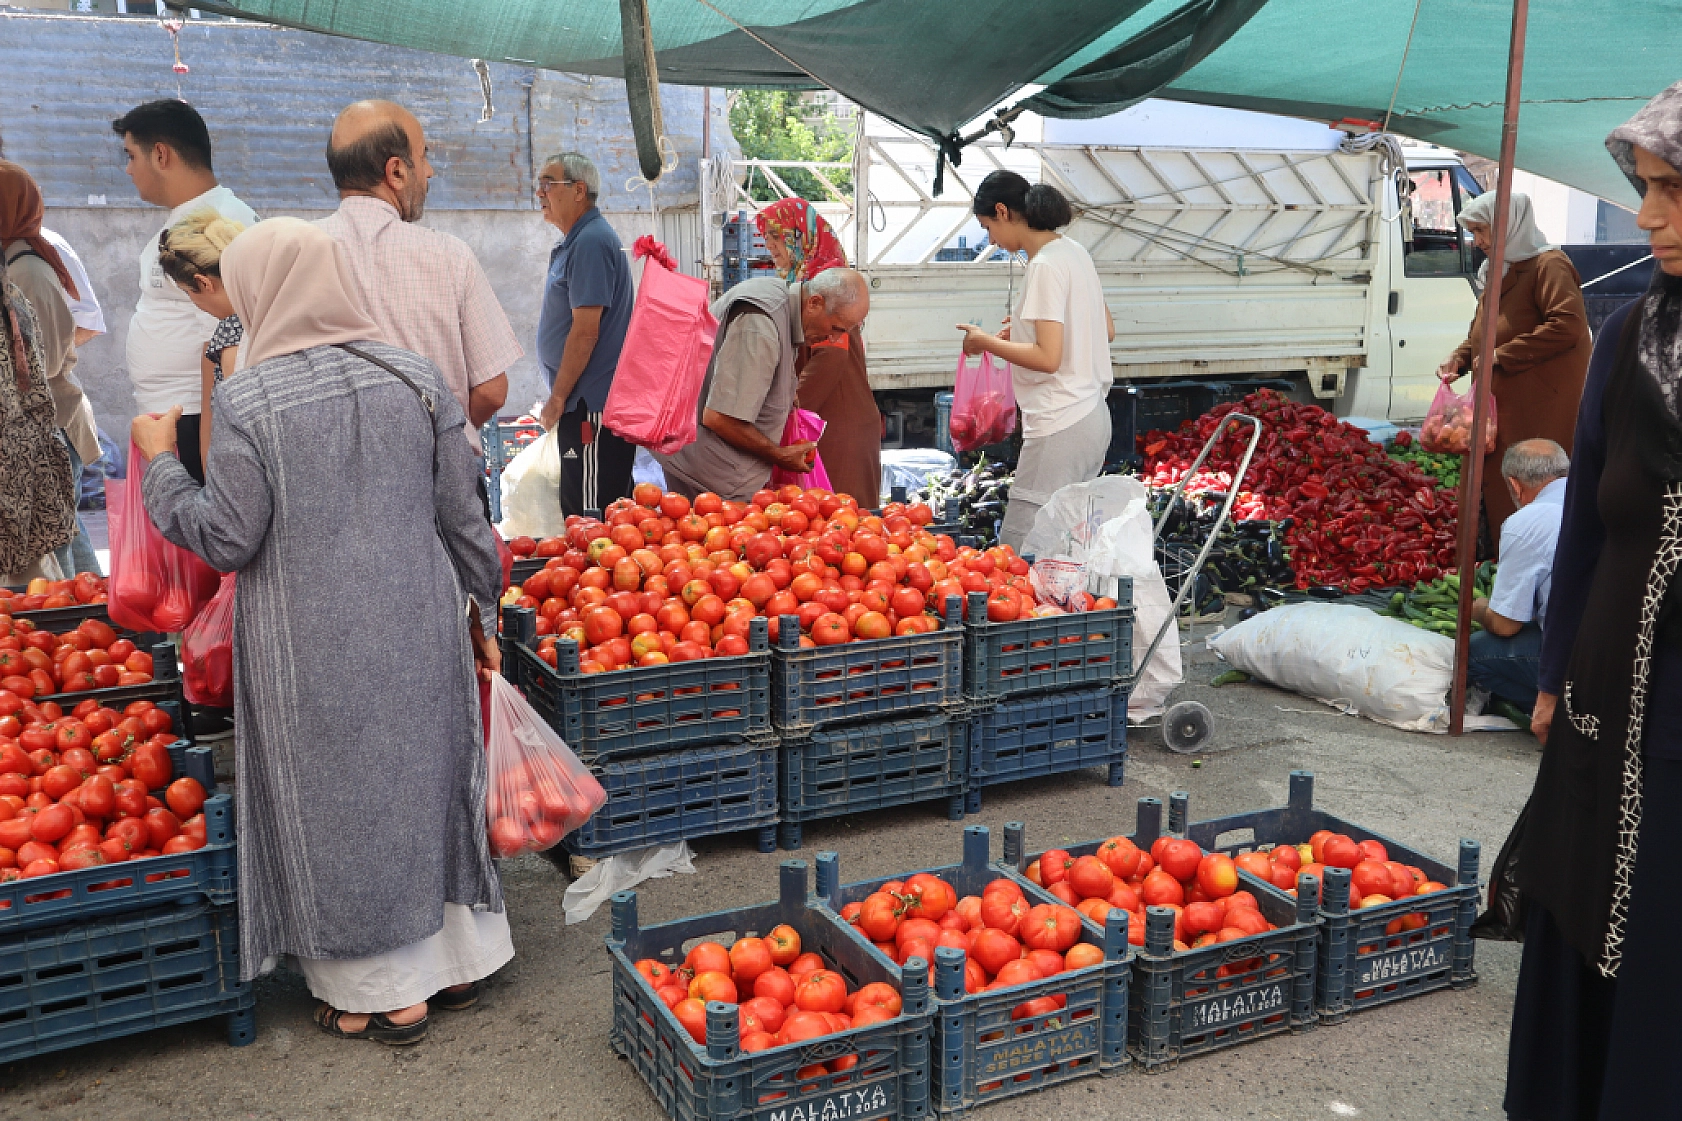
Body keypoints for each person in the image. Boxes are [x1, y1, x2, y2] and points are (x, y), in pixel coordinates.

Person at [133, 218, 509, 1045]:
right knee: (425, 772)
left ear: (260, 291)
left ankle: (382, 993)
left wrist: (161, 464)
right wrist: (486, 607)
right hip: (418, 619)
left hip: (307, 643)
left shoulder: (246, 399)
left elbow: (229, 536)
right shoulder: (415, 377)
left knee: (336, 801)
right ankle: (454, 969)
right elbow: (466, 517)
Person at [1505, 82, 1682, 1120]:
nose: (1646, 214)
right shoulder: (1629, 339)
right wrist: (1549, 672)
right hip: (1605, 705)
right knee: (1587, 928)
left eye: (1670, 190)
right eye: (1645, 188)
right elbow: (1580, 530)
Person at [317, 99, 522, 514]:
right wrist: (447, 430)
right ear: (395, 171)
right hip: (438, 484)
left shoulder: (293, 256)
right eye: (423, 156)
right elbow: (492, 390)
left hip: (330, 493)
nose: (428, 171)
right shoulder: (449, 257)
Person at [955, 172, 1115, 550]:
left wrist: (986, 343)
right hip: (1091, 415)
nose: (992, 240)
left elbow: (1048, 358)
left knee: (1020, 547)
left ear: (1002, 211)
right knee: (1068, 546)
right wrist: (1026, 332)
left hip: (1060, 422)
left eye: (988, 227)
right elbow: (1103, 329)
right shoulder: (1074, 252)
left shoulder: (1043, 265)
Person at [113, 99, 258, 485]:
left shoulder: (221, 220)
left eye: (130, 156)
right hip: (177, 414)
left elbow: (234, 331)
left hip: (196, 416)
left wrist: (210, 440)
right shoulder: (191, 216)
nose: (127, 169)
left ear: (160, 154)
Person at [1437, 191, 1591, 542]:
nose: (1477, 243)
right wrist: (1459, 359)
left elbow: (1567, 325)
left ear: (1509, 225)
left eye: (1482, 231)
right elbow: (1482, 331)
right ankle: (1491, 565)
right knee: (1492, 485)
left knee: (1528, 489)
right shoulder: (1497, 271)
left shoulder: (1548, 265)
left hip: (1537, 407)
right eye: (1473, 233)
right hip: (1499, 408)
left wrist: (1501, 355)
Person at [656, 267, 869, 502]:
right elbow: (719, 417)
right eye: (836, 329)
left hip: (714, 466)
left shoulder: (783, 300)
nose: (835, 339)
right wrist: (778, 454)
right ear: (815, 303)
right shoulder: (761, 326)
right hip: (707, 472)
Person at [0, 162, 101, 576]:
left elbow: (45, 363)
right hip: (41, 428)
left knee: (54, 554)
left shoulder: (28, 271)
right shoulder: (17, 262)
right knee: (66, 547)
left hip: (49, 428)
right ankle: (103, 625)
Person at [758, 198, 883, 508]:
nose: (771, 246)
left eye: (778, 237)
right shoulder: (800, 283)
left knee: (843, 524)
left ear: (800, 237)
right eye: (768, 238)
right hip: (828, 422)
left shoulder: (829, 287)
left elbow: (830, 357)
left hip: (837, 427)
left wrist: (786, 413)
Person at [533, 152, 636, 513]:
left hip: (591, 408)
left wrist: (557, 399)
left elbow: (585, 332)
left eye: (548, 183)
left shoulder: (591, 240)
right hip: (584, 408)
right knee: (595, 515)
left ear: (579, 190)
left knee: (592, 521)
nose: (539, 192)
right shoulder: (578, 241)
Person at [1466, 438, 1568, 719]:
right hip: (1637, 643)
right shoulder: (1600, 497)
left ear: (1515, 485)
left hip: (1580, 655)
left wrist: (1479, 609)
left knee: (1472, 653)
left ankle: (1559, 715)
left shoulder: (1526, 523)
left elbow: (1505, 625)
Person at [0, 253, 75, 585]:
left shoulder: (18, 294)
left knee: (24, 593)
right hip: (22, 458)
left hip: (15, 461)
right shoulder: (13, 297)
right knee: (31, 587)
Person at [157, 208, 246, 470]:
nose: (195, 303)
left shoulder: (233, 332)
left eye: (188, 293)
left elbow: (237, 429)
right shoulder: (268, 313)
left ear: (204, 283)